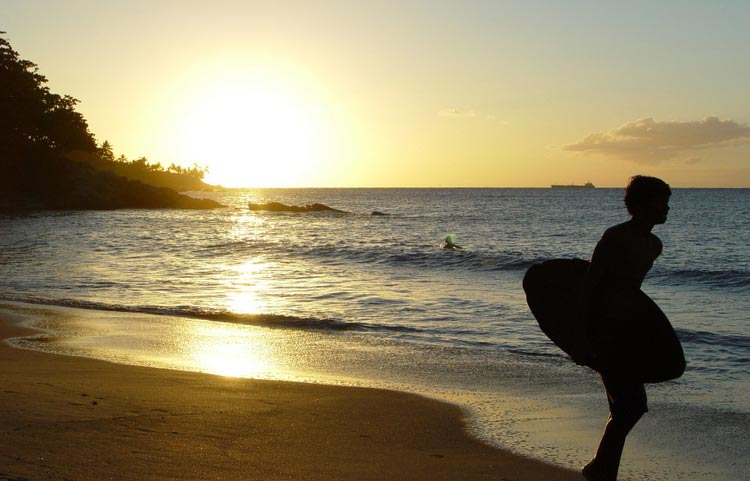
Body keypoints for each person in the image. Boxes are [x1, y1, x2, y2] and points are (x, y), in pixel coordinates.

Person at [579, 175, 673, 481]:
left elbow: (633, 293)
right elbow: (591, 285)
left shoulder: (654, 245)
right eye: (661, 202)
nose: (667, 208)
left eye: (667, 202)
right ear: (642, 204)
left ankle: (601, 469)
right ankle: (600, 469)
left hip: (629, 332)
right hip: (605, 329)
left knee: (625, 407)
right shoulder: (615, 236)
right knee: (631, 406)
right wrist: (585, 337)